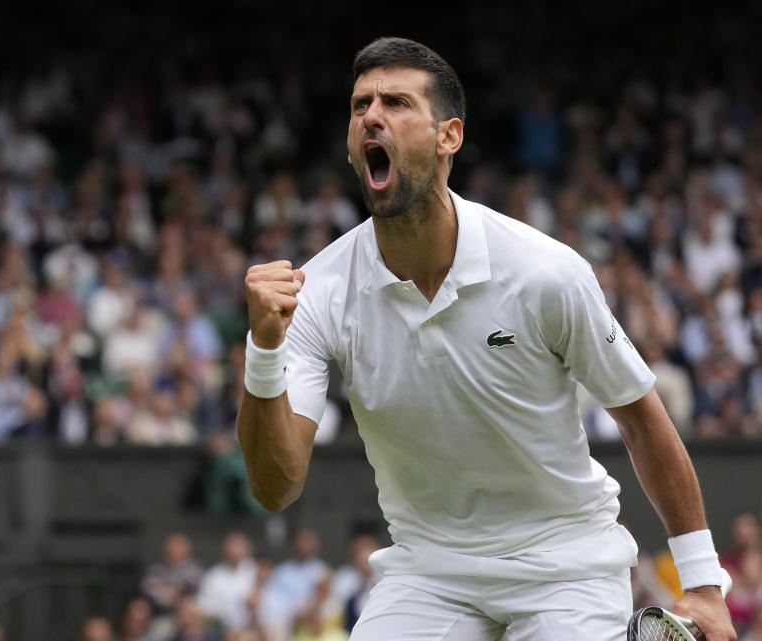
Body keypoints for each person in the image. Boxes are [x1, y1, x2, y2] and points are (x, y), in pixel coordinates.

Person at [237, 37, 736, 641]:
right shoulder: (316, 292)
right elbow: (276, 486)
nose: (371, 115)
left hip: (565, 563)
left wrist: (704, 586)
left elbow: (641, 420)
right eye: (360, 104)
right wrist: (264, 352)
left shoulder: (544, 271)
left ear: (449, 136)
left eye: (395, 102)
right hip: (428, 571)